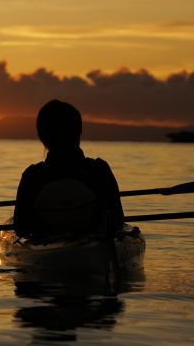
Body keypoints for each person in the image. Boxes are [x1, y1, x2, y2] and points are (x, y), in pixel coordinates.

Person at [14, 100, 124, 241]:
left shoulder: (33, 176)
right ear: (79, 132)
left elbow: (21, 228)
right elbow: (118, 221)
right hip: (95, 249)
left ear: (42, 136)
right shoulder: (99, 170)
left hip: (47, 253)